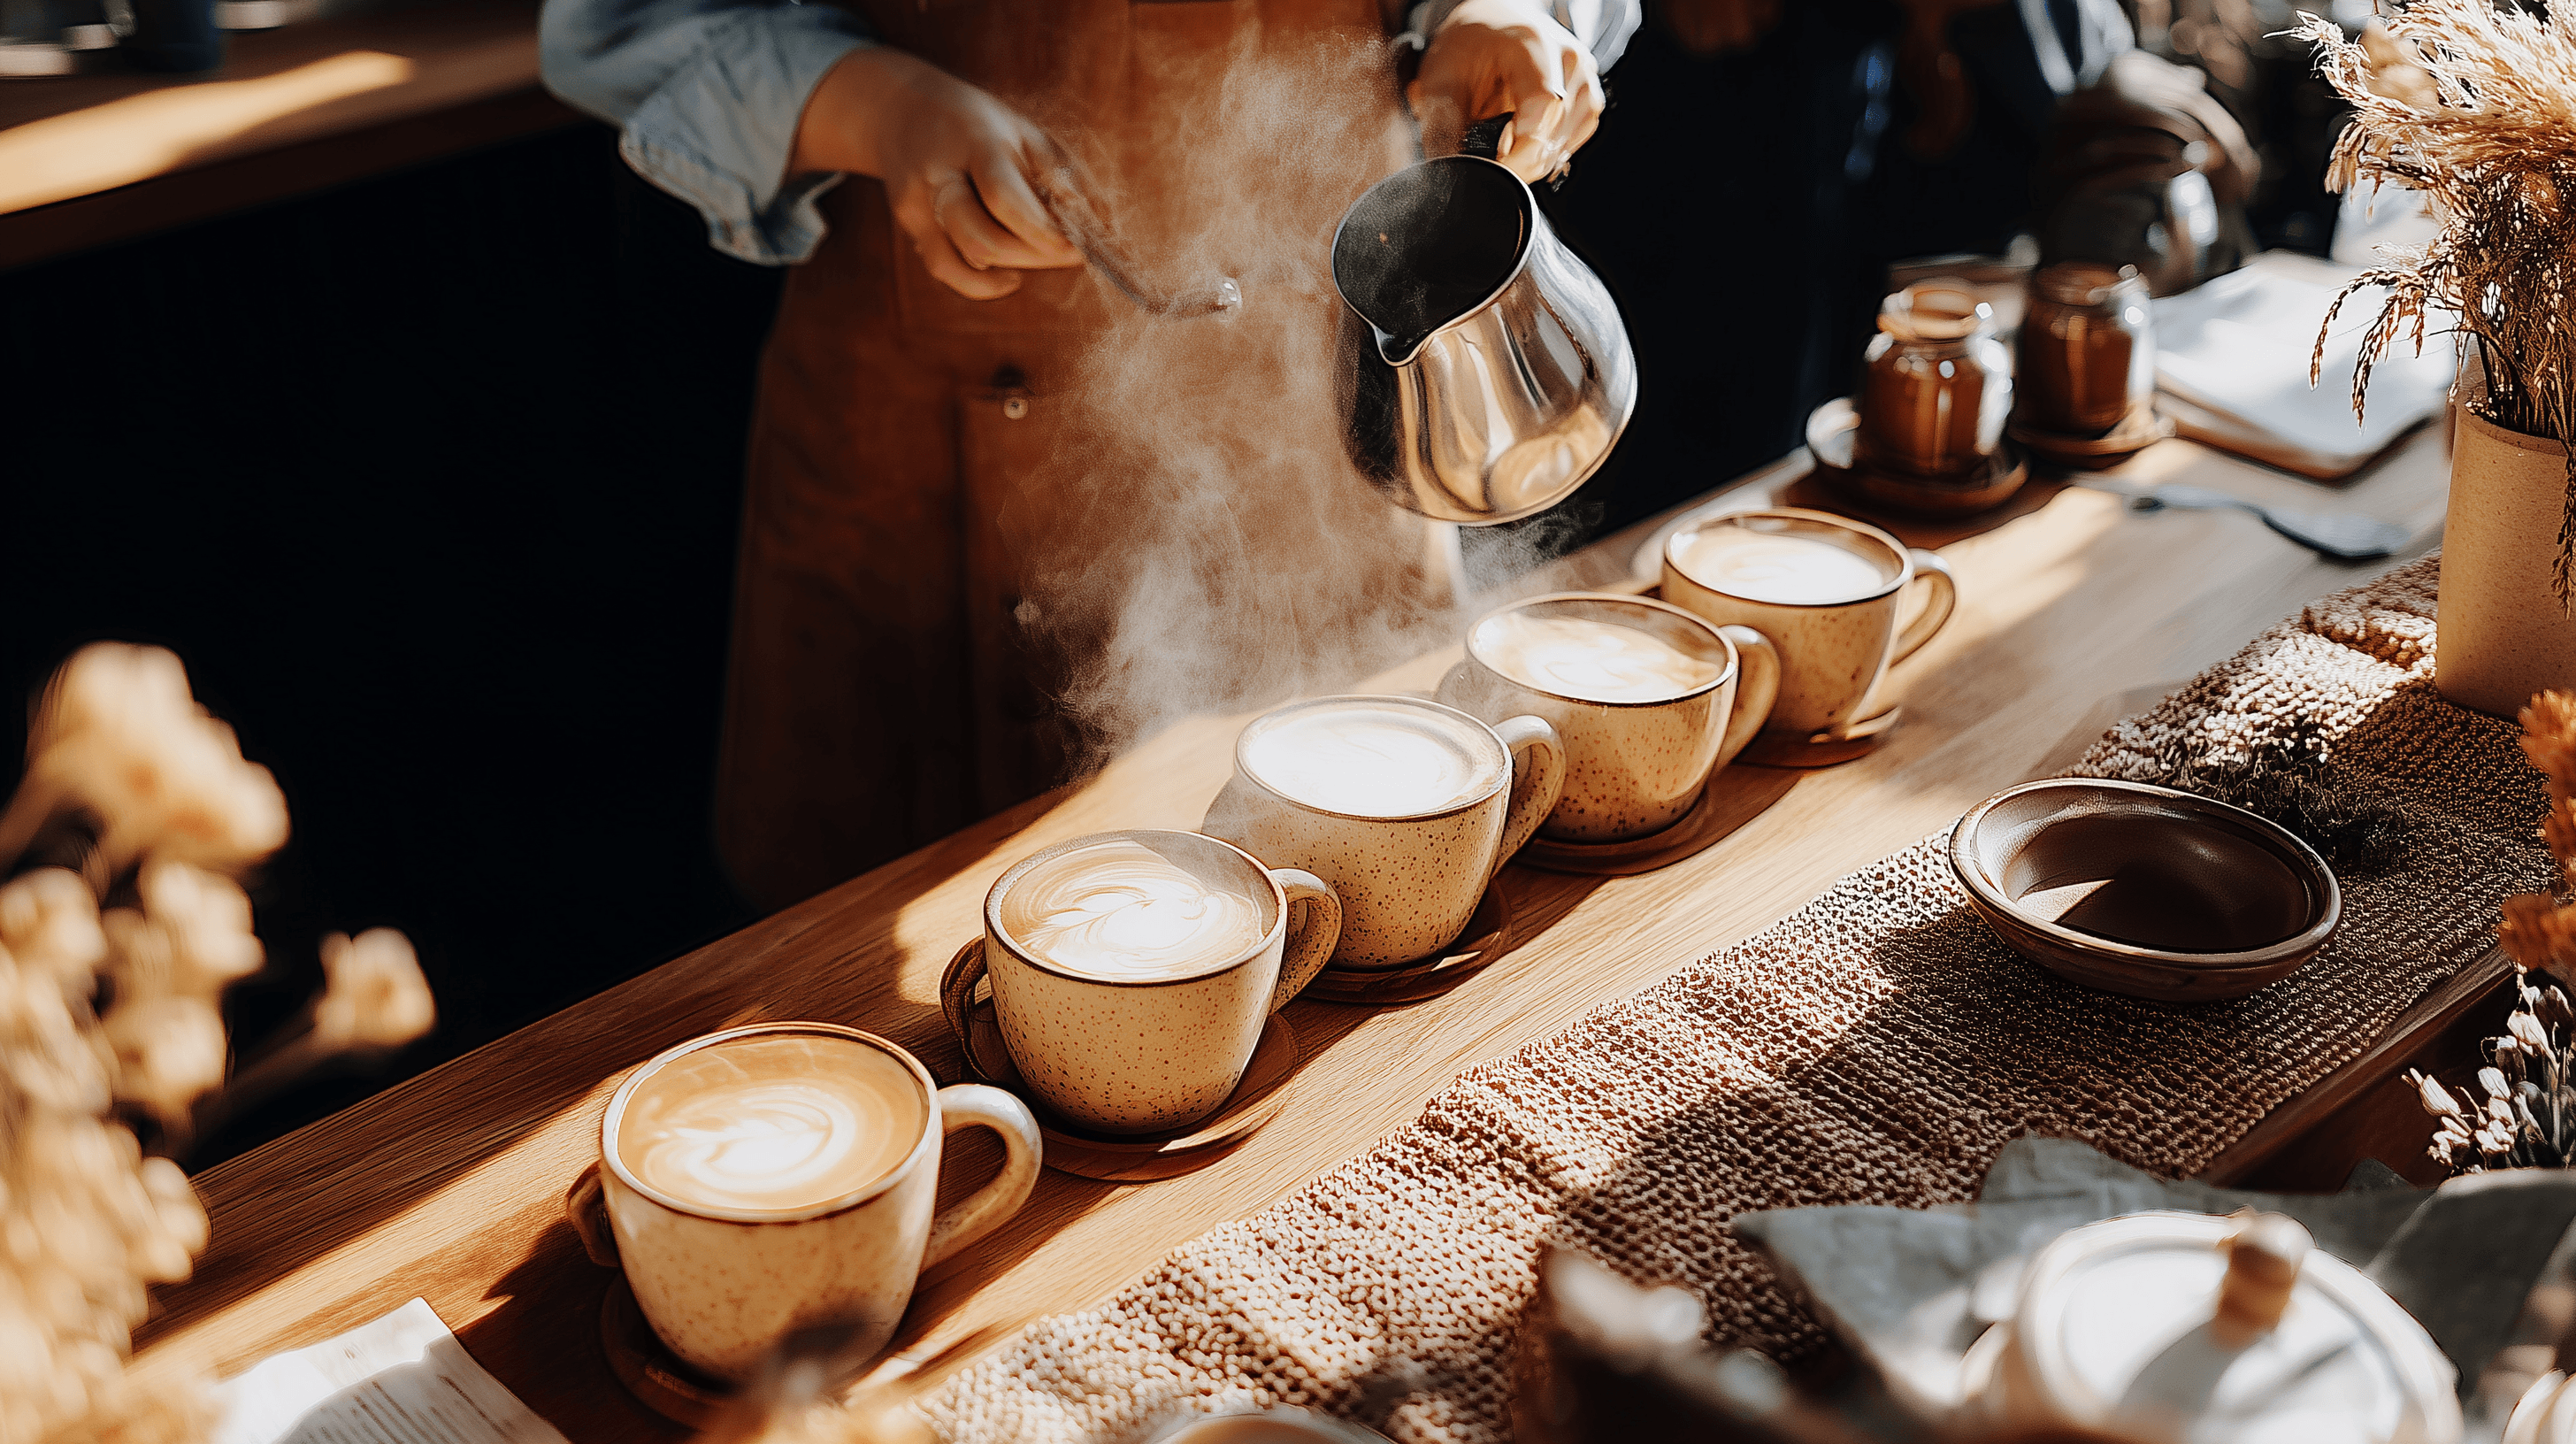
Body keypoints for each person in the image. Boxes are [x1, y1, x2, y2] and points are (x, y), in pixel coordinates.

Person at [540, 0, 1637, 911]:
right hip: (922, 415)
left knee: (1370, 903)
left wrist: (1505, 11)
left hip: (1343, 374)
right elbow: (618, 23)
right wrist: (880, 107)